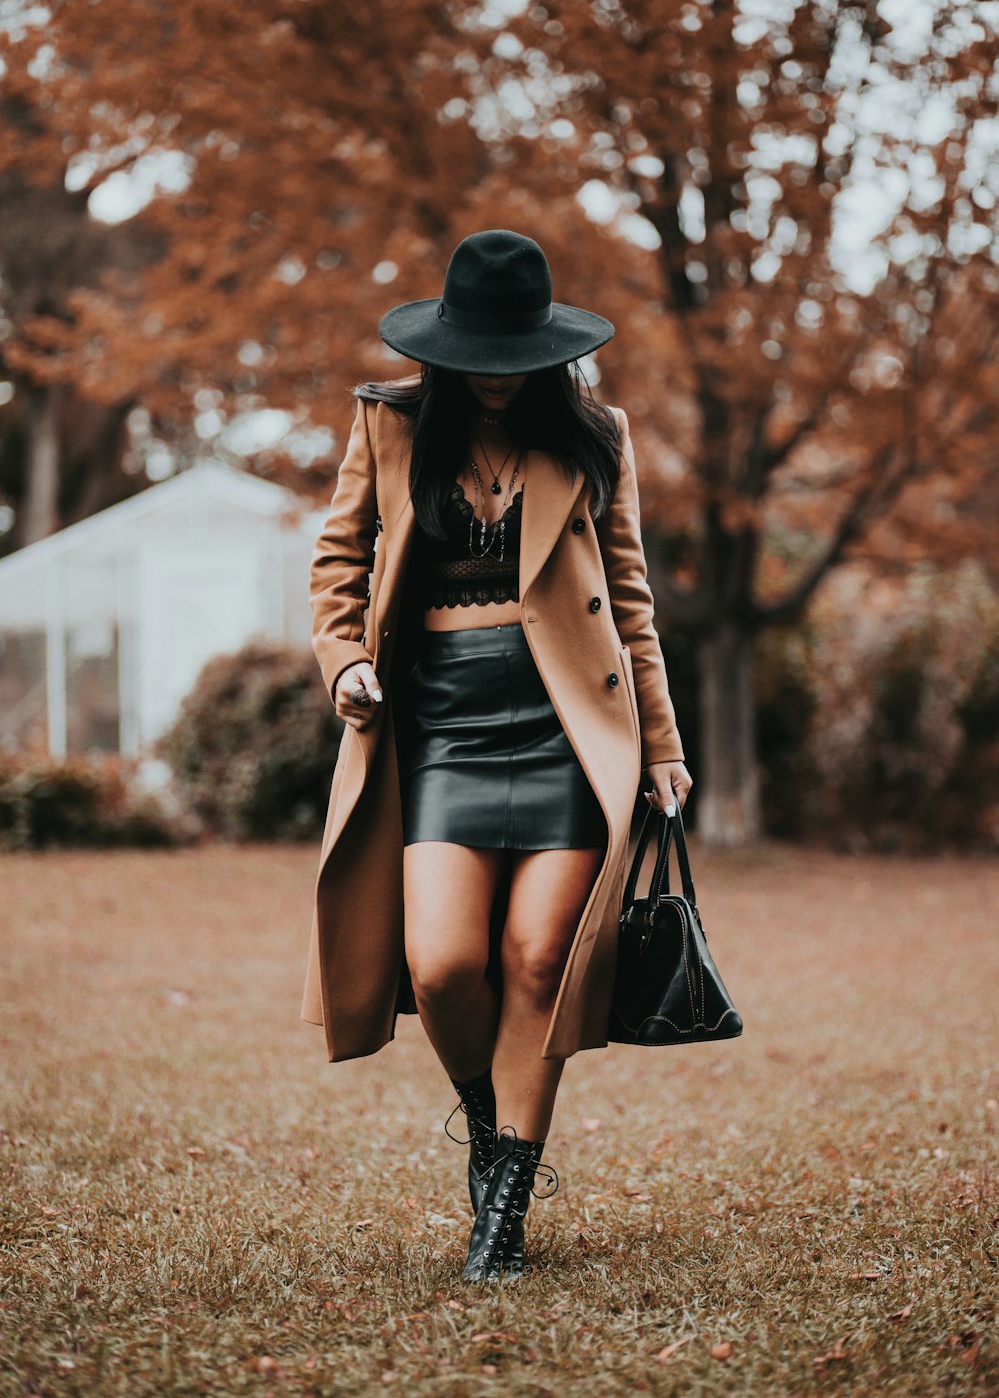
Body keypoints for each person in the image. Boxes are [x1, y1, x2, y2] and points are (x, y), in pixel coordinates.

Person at [301, 228, 691, 1283]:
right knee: (442, 965)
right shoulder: (388, 426)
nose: (493, 376)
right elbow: (336, 565)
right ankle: (491, 1124)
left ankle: (503, 1208)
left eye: (514, 357)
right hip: (437, 734)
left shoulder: (596, 435)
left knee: (536, 960)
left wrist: (660, 742)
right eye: (476, 353)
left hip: (570, 734)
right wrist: (344, 665)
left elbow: (632, 601)